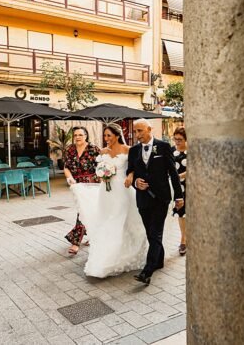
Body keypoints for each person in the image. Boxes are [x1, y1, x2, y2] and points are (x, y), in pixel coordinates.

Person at [70, 123, 148, 278]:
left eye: (109, 136)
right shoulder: (103, 151)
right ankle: (106, 257)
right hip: (106, 191)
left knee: (122, 220)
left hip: (123, 190)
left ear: (117, 136)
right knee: (106, 221)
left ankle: (126, 253)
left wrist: (130, 176)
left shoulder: (128, 150)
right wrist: (101, 174)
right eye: (104, 136)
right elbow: (98, 169)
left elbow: (134, 168)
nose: (106, 139)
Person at [125, 120, 184, 286]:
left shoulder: (164, 147)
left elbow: (173, 173)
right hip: (142, 198)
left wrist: (179, 197)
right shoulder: (134, 150)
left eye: (140, 131)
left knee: (155, 232)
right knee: (151, 232)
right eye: (135, 131)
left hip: (161, 198)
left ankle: (147, 271)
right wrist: (136, 182)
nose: (137, 135)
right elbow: (130, 170)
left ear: (150, 129)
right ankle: (158, 260)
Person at [62, 126, 102, 255]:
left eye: (80, 134)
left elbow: (102, 165)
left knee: (83, 211)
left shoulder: (94, 149)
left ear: (86, 135)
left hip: (93, 184)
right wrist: (69, 178)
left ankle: (75, 242)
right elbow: (66, 167)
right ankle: (93, 235)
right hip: (77, 185)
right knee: (85, 210)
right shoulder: (70, 150)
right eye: (75, 135)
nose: (77, 137)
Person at [171, 126, 188, 255]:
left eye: (180, 139)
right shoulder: (171, 151)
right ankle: (183, 239)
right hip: (177, 188)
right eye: (175, 139)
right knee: (181, 213)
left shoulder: (191, 151)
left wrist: (179, 176)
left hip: (191, 186)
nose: (177, 142)